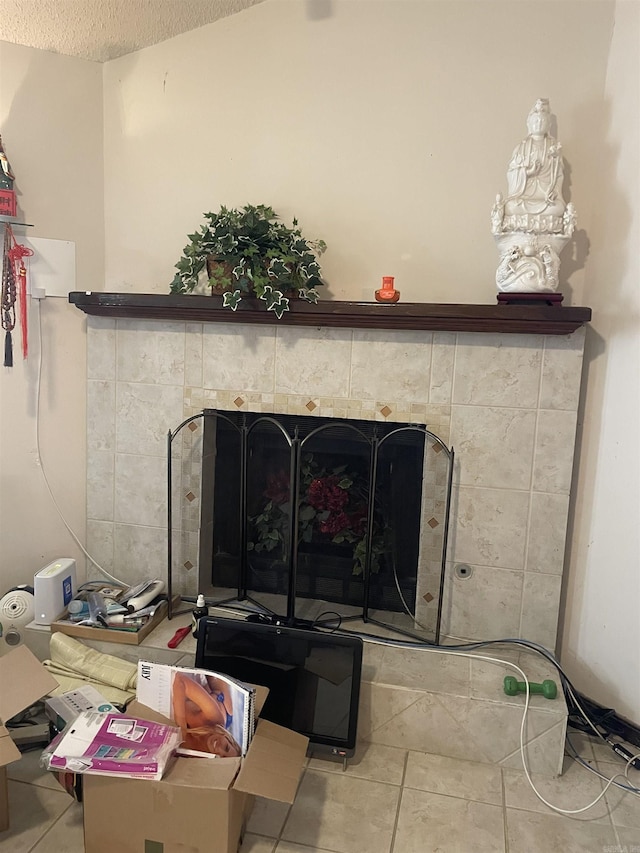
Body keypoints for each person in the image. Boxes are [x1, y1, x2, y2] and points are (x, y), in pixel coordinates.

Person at [504, 99, 564, 218]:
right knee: (510, 207)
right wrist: (527, 172)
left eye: (542, 121)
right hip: (525, 196)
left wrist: (554, 192)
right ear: (529, 124)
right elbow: (511, 173)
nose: (539, 124)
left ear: (548, 125)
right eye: (536, 121)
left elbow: (558, 175)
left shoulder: (553, 147)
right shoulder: (521, 147)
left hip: (545, 197)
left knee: (559, 208)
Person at [172, 671, 239, 756]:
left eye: (221, 756)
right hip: (222, 704)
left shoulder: (195, 753)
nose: (219, 748)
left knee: (203, 690)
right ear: (227, 739)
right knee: (212, 666)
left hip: (215, 727)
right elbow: (180, 680)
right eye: (226, 747)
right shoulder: (214, 719)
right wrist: (181, 726)